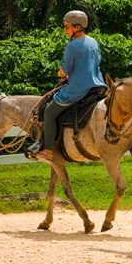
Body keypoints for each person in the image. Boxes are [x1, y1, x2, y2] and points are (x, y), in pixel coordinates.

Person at [27, 10, 106, 162]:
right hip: (97, 87)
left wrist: (62, 74)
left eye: (66, 26)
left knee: (49, 111)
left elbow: (64, 71)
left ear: (76, 27)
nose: (65, 29)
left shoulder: (72, 46)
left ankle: (48, 150)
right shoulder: (93, 42)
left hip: (78, 89)